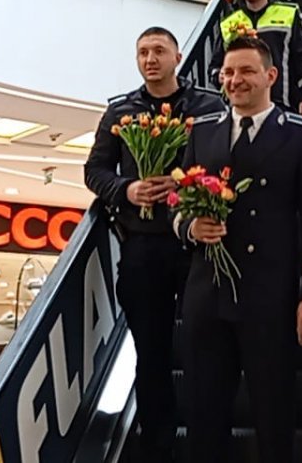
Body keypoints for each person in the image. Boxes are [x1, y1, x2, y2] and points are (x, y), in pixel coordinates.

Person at [174, 36, 302, 463]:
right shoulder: (203, 130)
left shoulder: (301, 134)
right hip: (207, 297)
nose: (235, 80)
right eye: (228, 72)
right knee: (204, 416)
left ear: (271, 75)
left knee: (273, 416)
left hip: (269, 299)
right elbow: (177, 204)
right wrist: (192, 227)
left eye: (246, 71)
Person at [84, 27, 224, 463]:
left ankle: (206, 444)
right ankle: (157, 447)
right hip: (143, 248)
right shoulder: (120, 111)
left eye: (159, 51)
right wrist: (127, 190)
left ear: (178, 57)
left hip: (197, 248)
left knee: (206, 349)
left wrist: (185, 185)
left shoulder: (209, 107)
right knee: (151, 353)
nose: (150, 59)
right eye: (143, 52)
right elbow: (95, 171)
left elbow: (227, 164)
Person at [210, 0, 302, 117]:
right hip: (239, 109)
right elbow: (214, 66)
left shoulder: (289, 13)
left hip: (281, 105)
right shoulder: (229, 22)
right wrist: (219, 75)